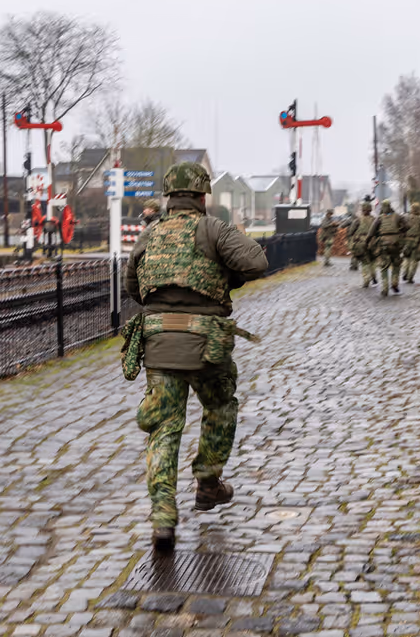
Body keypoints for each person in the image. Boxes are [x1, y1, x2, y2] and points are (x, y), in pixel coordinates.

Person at [121, 162, 268, 553]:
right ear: (204, 196)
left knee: (163, 430)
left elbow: (132, 287)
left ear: (169, 196)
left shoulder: (148, 236)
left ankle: (163, 520)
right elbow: (256, 262)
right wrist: (224, 272)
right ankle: (207, 483)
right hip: (207, 346)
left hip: (159, 343)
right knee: (220, 406)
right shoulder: (213, 229)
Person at [368, 200, 408, 296]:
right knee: (396, 264)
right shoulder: (398, 216)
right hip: (395, 243)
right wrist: (400, 231)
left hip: (383, 244)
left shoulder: (379, 218)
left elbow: (371, 232)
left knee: (384, 266)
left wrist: (367, 242)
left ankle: (385, 288)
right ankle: (394, 283)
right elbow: (407, 226)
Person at [401, 202, 420, 284]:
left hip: (407, 241)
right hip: (417, 241)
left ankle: (405, 273)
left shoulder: (406, 218)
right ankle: (410, 277)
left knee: (406, 258)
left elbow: (401, 228)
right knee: (414, 260)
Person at [350, 201, 377, 287]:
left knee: (364, 262)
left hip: (361, 243)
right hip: (372, 243)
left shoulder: (358, 220)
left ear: (362, 210)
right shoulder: (374, 220)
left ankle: (366, 280)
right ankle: (373, 275)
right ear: (370, 210)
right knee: (372, 260)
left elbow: (351, 231)